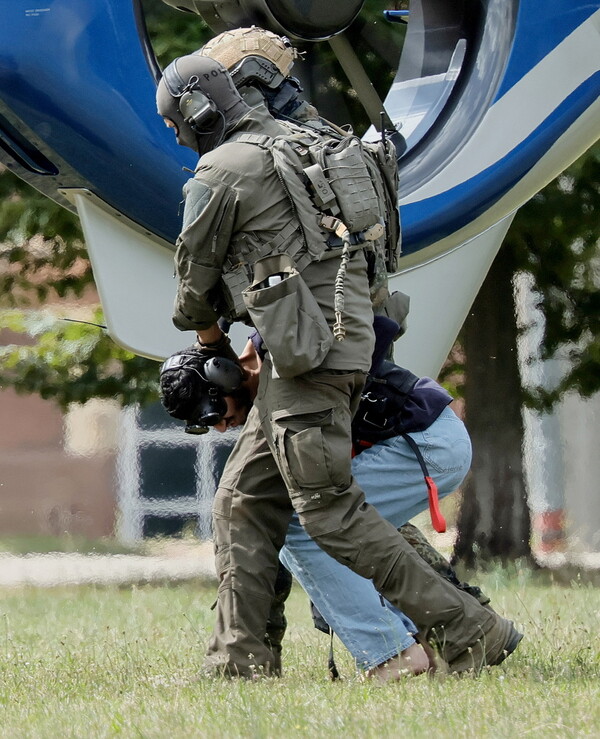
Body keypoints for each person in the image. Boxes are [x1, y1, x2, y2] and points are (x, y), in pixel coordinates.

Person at [156, 51, 522, 678]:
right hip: (337, 345)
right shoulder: (314, 140)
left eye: (176, 124)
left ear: (196, 111)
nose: (180, 136)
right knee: (243, 498)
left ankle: (468, 632)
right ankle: (239, 666)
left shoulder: (221, 170)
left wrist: (214, 346)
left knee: (327, 510)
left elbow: (193, 286)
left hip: (305, 359)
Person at [160, 314, 501, 681]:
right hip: (426, 442)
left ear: (225, 377)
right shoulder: (273, 369)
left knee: (306, 524)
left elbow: (378, 326)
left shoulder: (284, 355)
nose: (224, 427)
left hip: (425, 442)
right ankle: (427, 640)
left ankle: (393, 653)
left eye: (217, 415)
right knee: (325, 525)